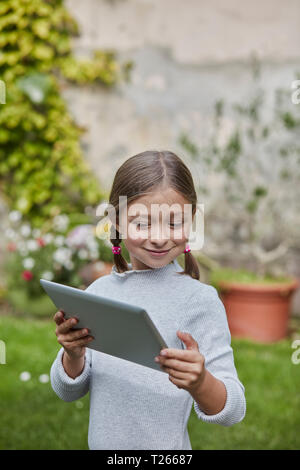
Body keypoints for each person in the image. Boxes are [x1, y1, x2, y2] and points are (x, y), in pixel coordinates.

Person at [50, 150, 246, 450]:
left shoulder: (199, 301)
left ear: (192, 221)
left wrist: (200, 382)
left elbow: (232, 412)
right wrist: (73, 354)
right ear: (116, 221)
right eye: (142, 223)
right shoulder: (99, 294)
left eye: (173, 223)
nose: (159, 237)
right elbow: (67, 391)